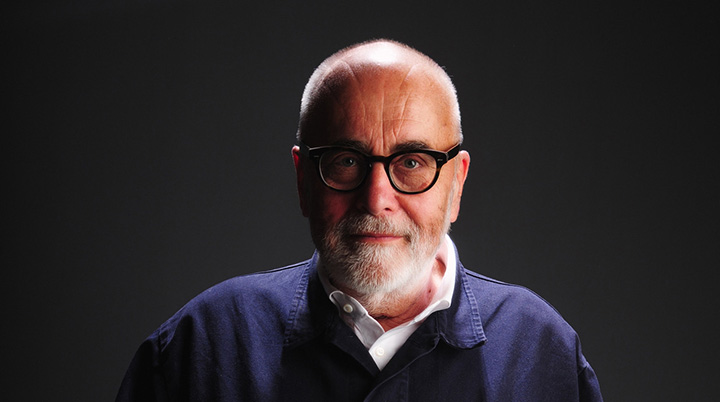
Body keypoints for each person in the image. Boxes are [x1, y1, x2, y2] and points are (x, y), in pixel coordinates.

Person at [116, 39, 603, 401]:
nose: (376, 199)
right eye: (347, 161)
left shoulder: (541, 352)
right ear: (303, 179)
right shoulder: (203, 347)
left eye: (411, 162)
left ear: (456, 184)